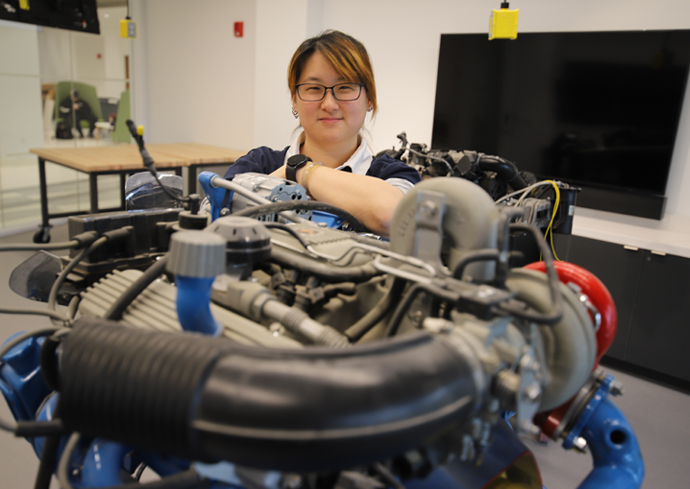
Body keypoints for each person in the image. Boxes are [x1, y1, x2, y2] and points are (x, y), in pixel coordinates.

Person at [223, 30, 420, 237]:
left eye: (345, 87)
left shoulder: (394, 175)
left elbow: (393, 217)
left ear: (369, 98)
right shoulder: (259, 164)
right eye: (314, 88)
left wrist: (301, 172)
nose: (329, 104)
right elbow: (213, 213)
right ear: (294, 100)